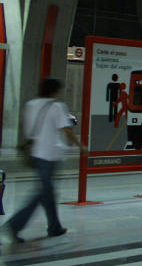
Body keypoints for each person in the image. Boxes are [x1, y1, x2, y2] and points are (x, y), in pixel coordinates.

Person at [2, 79, 86, 245]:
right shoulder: (56, 106)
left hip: (36, 154)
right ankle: (14, 225)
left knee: (48, 192)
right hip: (50, 154)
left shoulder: (31, 105)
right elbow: (67, 129)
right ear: (54, 91)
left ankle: (55, 227)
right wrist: (80, 145)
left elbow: (26, 127)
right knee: (43, 192)